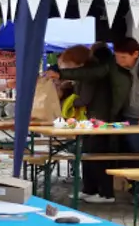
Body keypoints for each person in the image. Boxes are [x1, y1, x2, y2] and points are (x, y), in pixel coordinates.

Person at [46, 37, 139, 158]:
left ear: (136, 54)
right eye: (117, 56)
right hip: (131, 115)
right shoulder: (113, 65)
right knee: (134, 150)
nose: (119, 60)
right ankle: (135, 175)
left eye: (123, 57)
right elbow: (91, 73)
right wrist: (61, 74)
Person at [47, 44, 116, 202]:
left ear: (77, 62)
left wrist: (65, 100)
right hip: (91, 120)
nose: (64, 66)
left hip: (98, 120)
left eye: (67, 63)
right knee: (87, 154)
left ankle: (106, 194)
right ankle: (89, 189)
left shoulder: (90, 74)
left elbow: (84, 99)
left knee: (97, 156)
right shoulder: (87, 73)